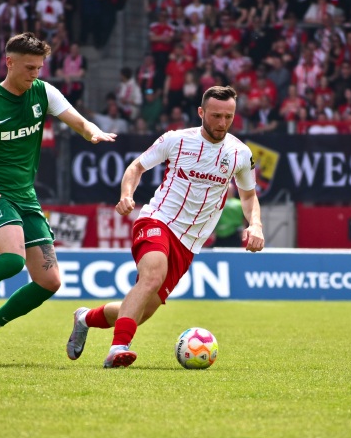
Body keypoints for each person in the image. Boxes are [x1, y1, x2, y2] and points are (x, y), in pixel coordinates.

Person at [0, 32, 117, 365]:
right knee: (13, 260)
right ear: (9, 62)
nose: (34, 74)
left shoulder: (43, 92)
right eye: (29, 67)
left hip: (26, 198)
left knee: (50, 281)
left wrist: (92, 132)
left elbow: (77, 120)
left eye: (39, 67)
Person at [66, 85, 265, 369]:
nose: (222, 123)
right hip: (158, 219)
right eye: (216, 115)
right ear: (201, 112)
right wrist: (126, 195)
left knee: (143, 310)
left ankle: (85, 318)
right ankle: (118, 347)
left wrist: (255, 224)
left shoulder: (240, 154)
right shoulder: (176, 140)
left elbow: (248, 196)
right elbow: (136, 167)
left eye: (228, 117)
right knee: (152, 276)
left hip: (189, 242)